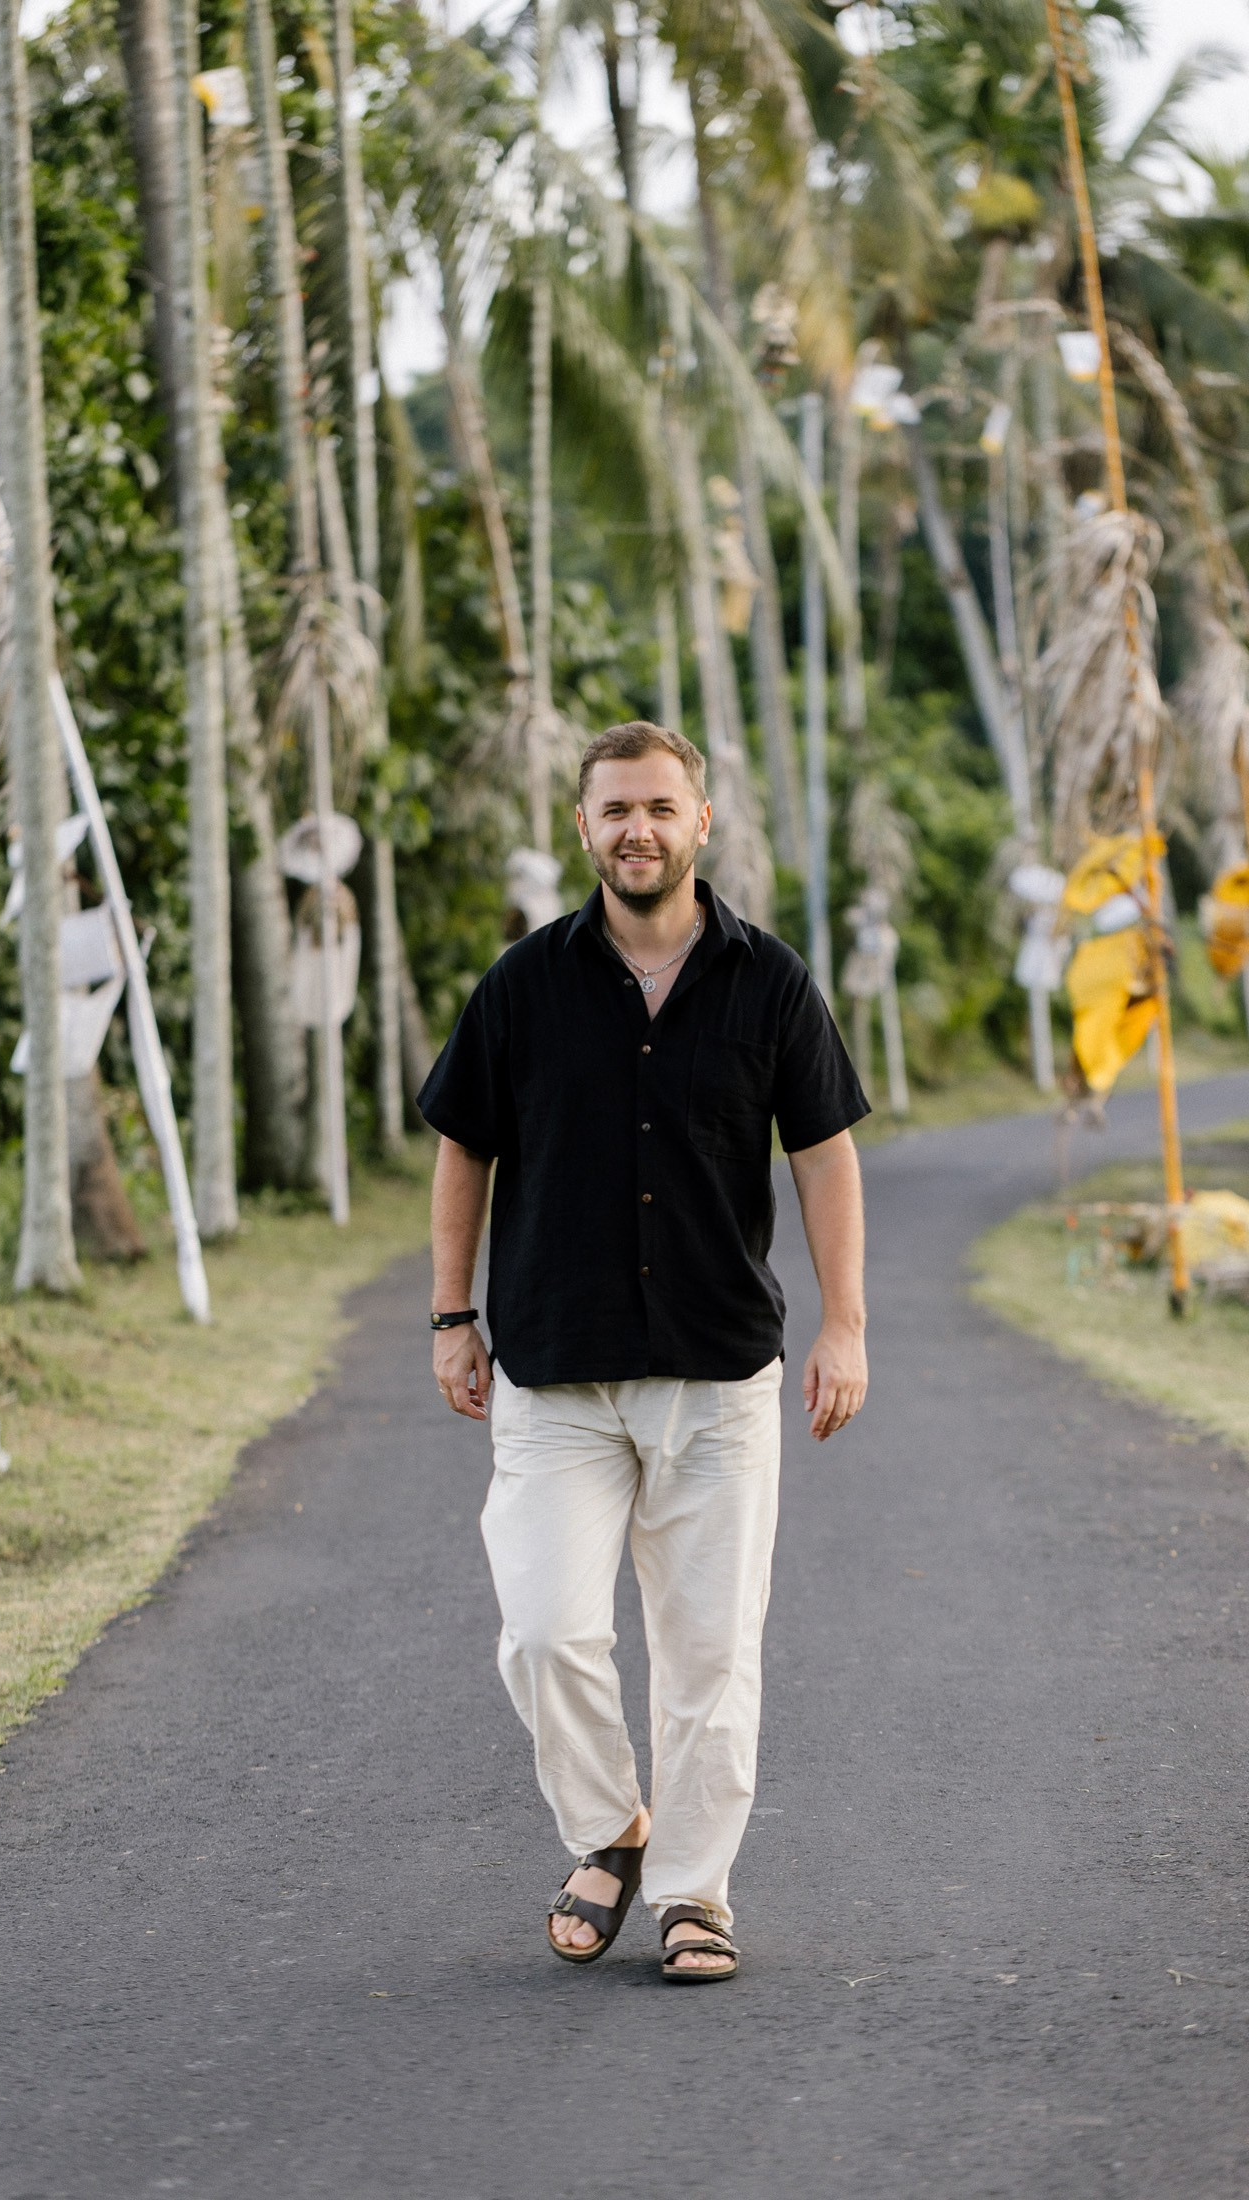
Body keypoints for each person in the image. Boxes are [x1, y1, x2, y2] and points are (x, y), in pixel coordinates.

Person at [418, 721, 869, 1983]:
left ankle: (693, 1891)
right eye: (616, 808)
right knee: (543, 1630)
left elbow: (824, 1154)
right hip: (555, 1368)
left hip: (719, 1375)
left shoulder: (771, 982)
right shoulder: (523, 984)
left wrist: (845, 1323)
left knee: (709, 1652)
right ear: (584, 827)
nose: (639, 829)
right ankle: (612, 1826)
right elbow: (463, 1145)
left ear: (700, 822)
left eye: (661, 807)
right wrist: (451, 1315)